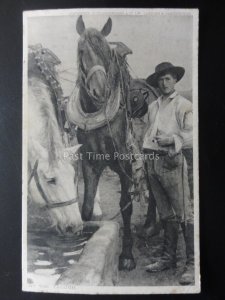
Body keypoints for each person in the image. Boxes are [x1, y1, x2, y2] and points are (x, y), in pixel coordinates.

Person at [143, 62, 194, 285]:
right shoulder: (153, 106)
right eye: (161, 79)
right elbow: (147, 133)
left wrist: (172, 140)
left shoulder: (184, 105)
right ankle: (168, 258)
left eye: (168, 79)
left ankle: (192, 265)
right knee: (165, 214)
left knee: (184, 214)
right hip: (153, 162)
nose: (164, 83)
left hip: (173, 162)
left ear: (175, 80)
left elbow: (193, 136)